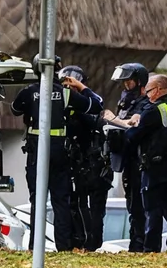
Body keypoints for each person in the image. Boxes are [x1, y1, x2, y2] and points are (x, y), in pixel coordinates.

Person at [11, 67, 103, 252]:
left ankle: (35, 247)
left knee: (37, 200)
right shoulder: (65, 94)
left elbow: (15, 109)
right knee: (60, 201)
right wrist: (81, 87)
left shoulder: (29, 91)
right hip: (60, 151)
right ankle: (63, 246)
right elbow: (96, 105)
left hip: (37, 151)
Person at [125, 74, 167, 253]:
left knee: (152, 210)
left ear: (160, 89)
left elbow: (133, 137)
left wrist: (133, 124)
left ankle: (151, 248)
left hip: (154, 168)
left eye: (150, 90)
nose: (147, 94)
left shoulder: (153, 110)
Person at [59, 65, 112, 252]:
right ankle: (78, 240)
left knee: (94, 208)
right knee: (73, 204)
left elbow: (97, 104)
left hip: (93, 164)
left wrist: (81, 89)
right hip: (73, 163)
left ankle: (91, 243)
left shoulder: (86, 106)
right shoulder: (62, 103)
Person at [101, 62, 151, 252]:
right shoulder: (125, 101)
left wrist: (113, 119)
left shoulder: (145, 103)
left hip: (139, 160)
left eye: (129, 82)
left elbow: (134, 126)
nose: (125, 86)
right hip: (126, 158)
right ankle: (135, 243)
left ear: (139, 82)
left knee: (139, 206)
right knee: (132, 205)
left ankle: (140, 245)